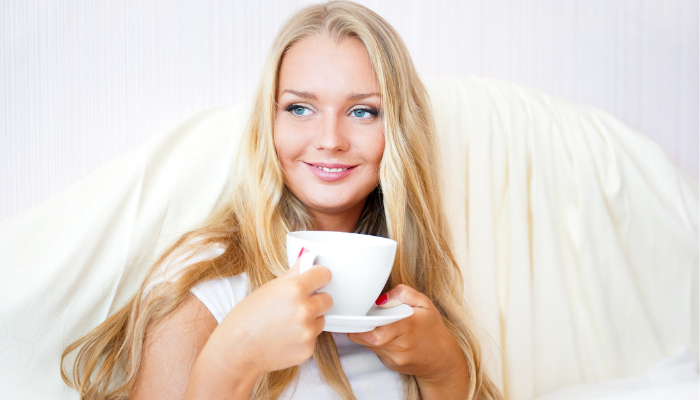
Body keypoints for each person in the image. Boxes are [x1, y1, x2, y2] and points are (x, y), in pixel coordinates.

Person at [61, 2, 502, 399]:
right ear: (267, 125)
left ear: (401, 131)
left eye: (362, 111)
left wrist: (446, 372)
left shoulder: (411, 282)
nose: (330, 141)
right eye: (299, 108)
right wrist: (231, 361)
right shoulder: (205, 281)